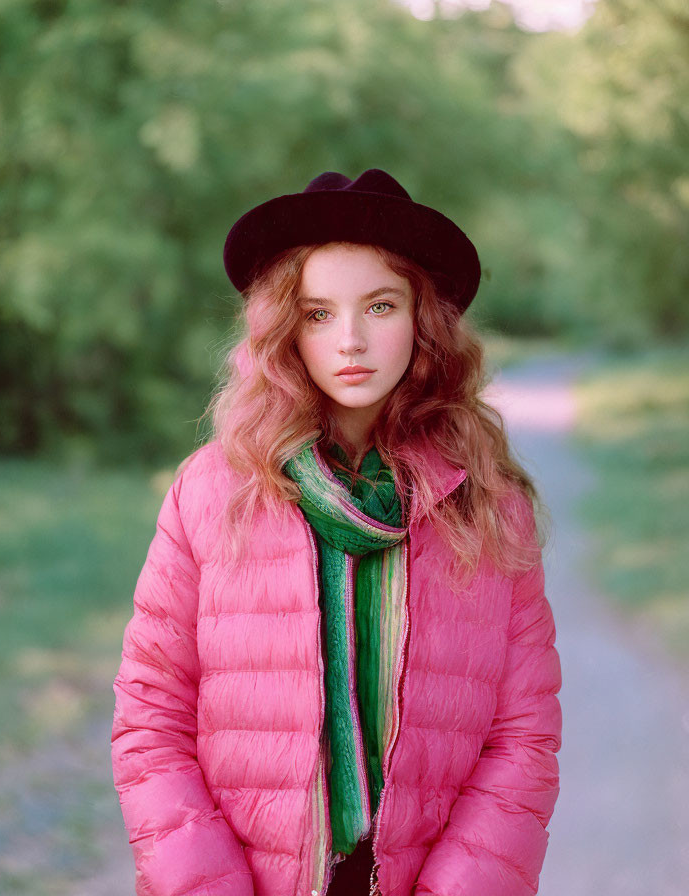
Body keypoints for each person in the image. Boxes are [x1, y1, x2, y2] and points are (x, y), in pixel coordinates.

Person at [111, 169, 562, 896]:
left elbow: (523, 738)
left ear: (422, 319)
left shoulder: (486, 503)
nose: (350, 340)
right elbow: (150, 719)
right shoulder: (211, 491)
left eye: (379, 306)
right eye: (318, 313)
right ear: (284, 327)